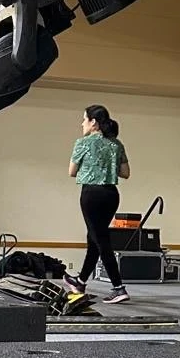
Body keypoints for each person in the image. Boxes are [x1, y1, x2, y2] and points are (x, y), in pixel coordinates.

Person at [66, 104, 131, 304]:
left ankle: (118, 287)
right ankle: (81, 281)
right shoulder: (116, 144)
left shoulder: (83, 143)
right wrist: (106, 166)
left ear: (93, 123)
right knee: (94, 238)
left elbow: (72, 171)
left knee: (101, 240)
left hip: (91, 194)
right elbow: (125, 173)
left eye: (84, 119)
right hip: (111, 195)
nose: (82, 123)